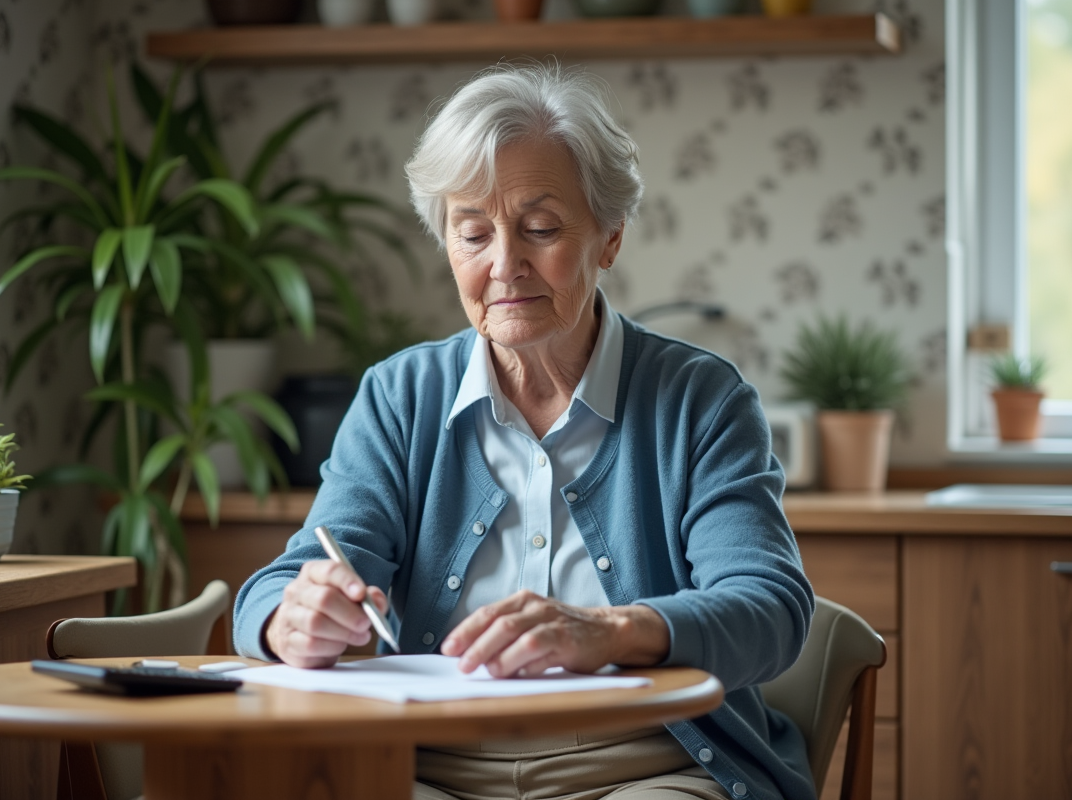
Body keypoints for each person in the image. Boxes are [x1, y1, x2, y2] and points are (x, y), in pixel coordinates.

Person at [234, 63, 816, 800]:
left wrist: (609, 630)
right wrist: (291, 619)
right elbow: (281, 586)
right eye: (472, 234)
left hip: (651, 769)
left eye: (540, 229)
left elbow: (770, 607)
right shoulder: (399, 396)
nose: (504, 265)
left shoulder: (701, 399)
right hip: (424, 770)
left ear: (609, 239)